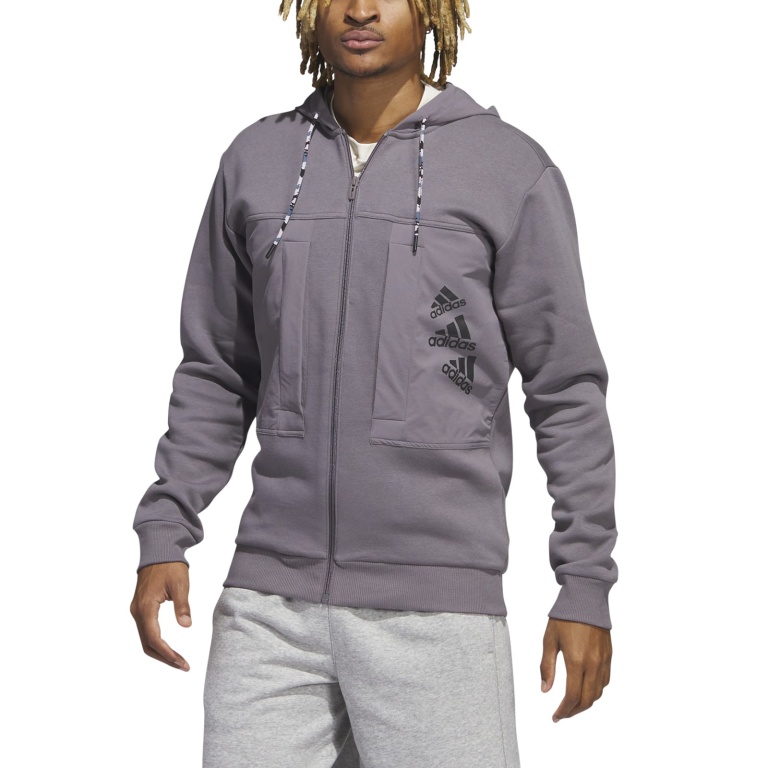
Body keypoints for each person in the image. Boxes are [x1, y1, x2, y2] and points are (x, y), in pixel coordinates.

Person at [129, 1, 618, 766]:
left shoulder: (507, 169)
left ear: (432, 9)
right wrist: (166, 528)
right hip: (269, 609)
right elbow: (218, 370)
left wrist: (583, 583)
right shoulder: (257, 161)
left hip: (438, 611)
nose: (360, 8)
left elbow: (566, 392)